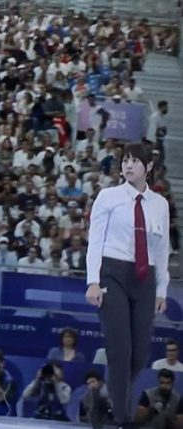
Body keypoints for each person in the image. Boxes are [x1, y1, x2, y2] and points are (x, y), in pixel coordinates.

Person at [85, 143, 171, 429]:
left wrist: (161, 290)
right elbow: (95, 241)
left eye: (135, 161)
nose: (128, 165)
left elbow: (162, 250)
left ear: (148, 167)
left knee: (141, 352)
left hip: (146, 279)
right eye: (125, 161)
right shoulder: (108, 197)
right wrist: (93, 281)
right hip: (113, 273)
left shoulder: (160, 204)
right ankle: (122, 417)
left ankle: (104, 397)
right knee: (119, 349)